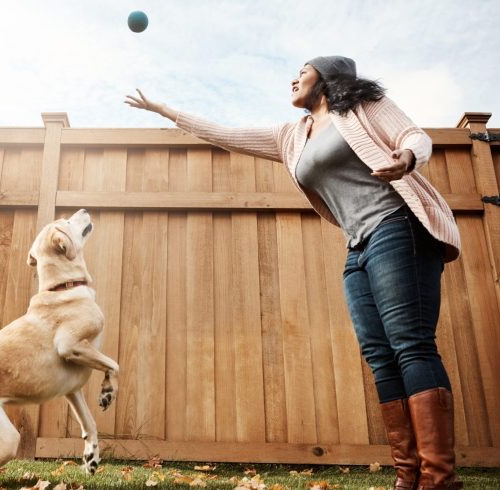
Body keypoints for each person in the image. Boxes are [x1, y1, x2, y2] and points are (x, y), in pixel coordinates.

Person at [125, 56, 462, 490]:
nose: (293, 77)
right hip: (357, 246)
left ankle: (438, 480)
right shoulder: (291, 136)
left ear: (326, 75)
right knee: (380, 357)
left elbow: (414, 135)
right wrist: (167, 111)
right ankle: (407, 474)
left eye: (302, 69)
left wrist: (408, 157)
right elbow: (228, 135)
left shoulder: (363, 106)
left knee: (411, 346)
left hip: (396, 227)